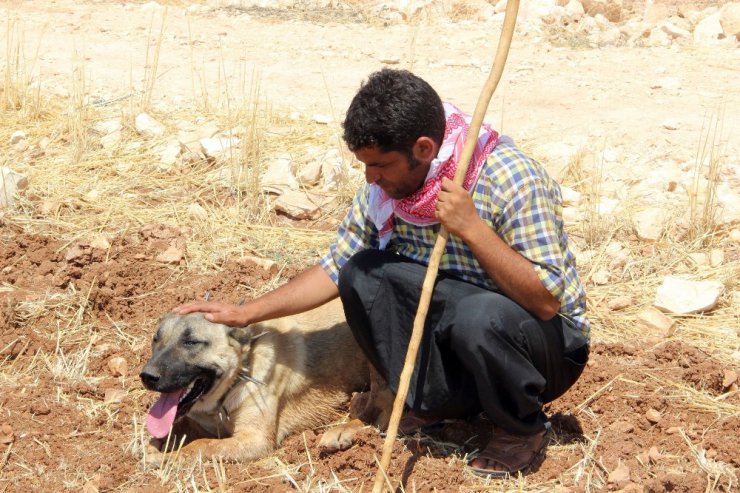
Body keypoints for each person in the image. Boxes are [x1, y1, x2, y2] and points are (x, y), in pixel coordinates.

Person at [176, 68, 590, 477]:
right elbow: (336, 269)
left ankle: (520, 428)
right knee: (363, 273)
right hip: (460, 338)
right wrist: (247, 313)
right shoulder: (385, 190)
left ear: (424, 148)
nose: (370, 177)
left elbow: (546, 300)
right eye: (364, 165)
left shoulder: (508, 177)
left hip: (541, 348)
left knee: (477, 314)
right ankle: (429, 404)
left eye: (380, 165)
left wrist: (473, 229)